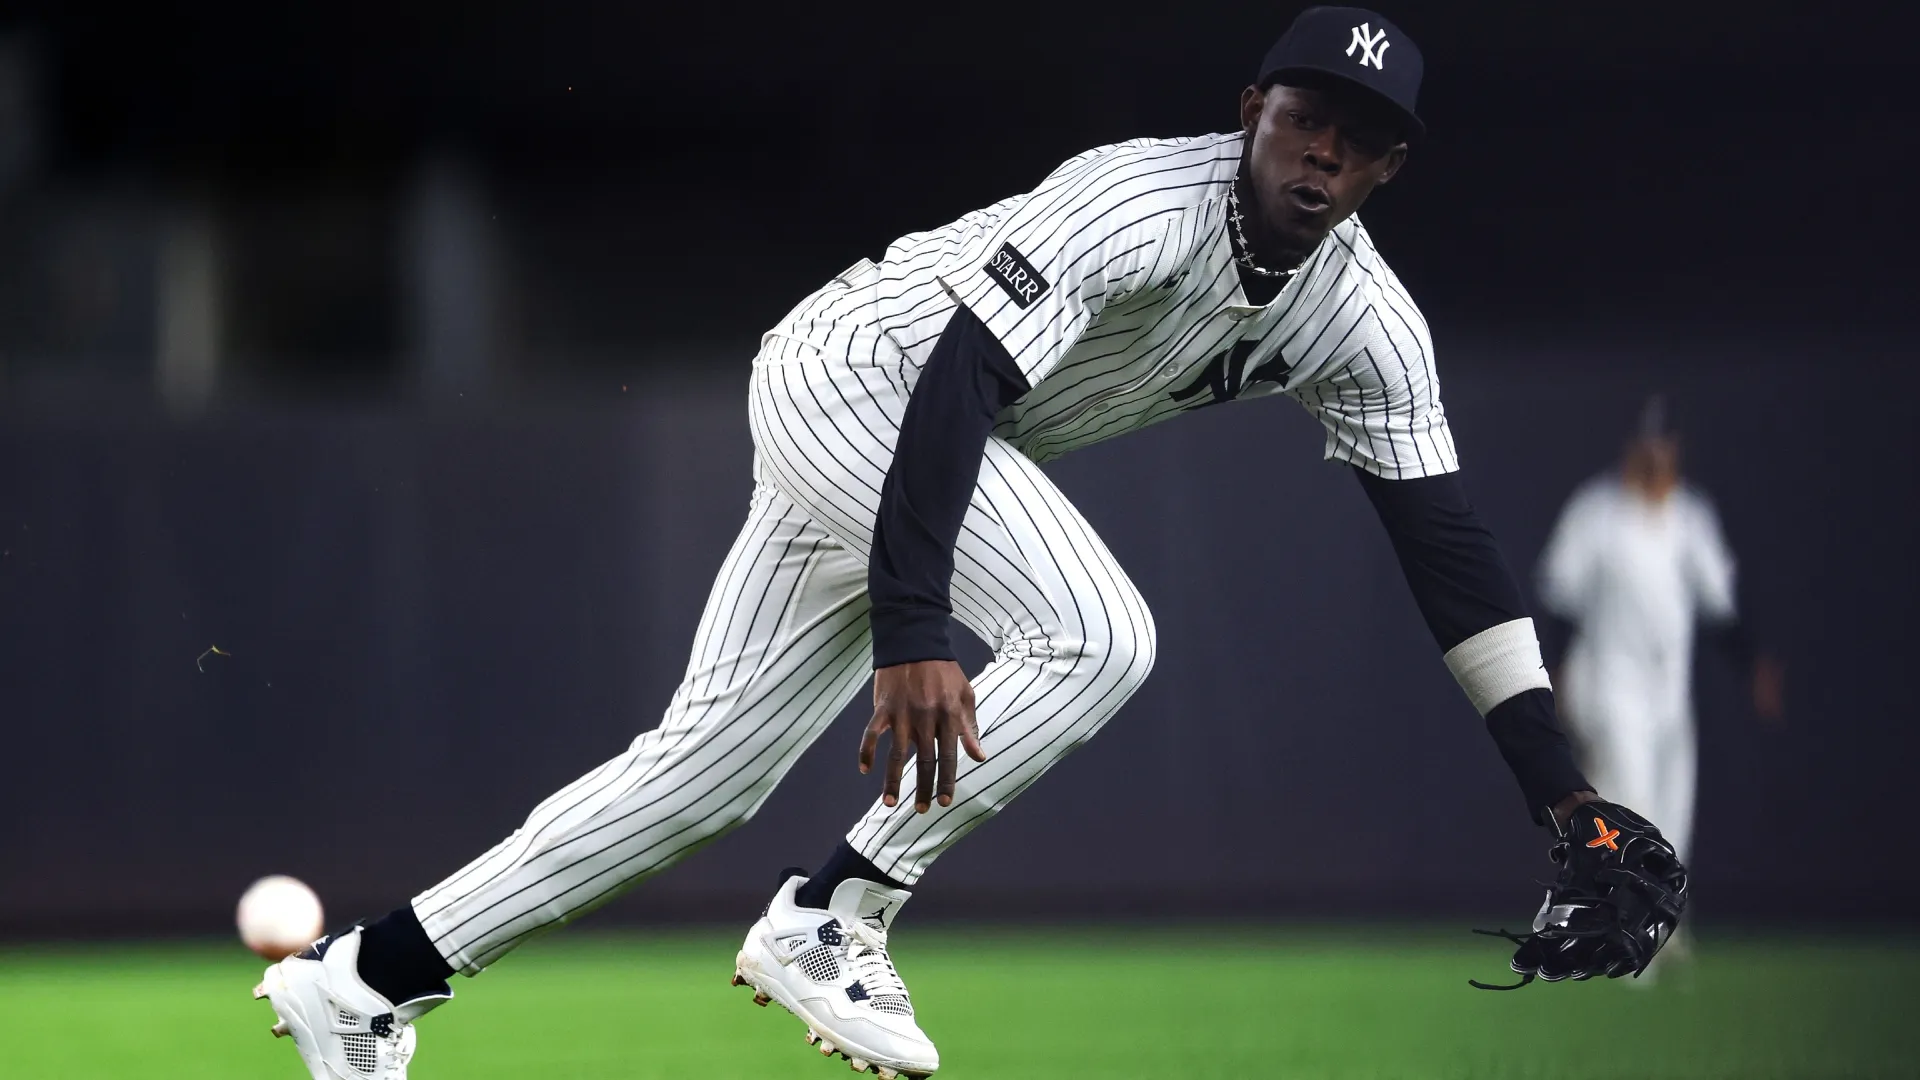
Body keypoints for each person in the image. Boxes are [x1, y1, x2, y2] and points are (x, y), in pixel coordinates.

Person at [252, 9, 1684, 1078]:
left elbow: (1449, 549)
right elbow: (957, 380)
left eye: (1362, 137)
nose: (1327, 151)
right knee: (1103, 634)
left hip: (930, 460)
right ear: (1253, 107)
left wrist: (1563, 802)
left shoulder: (1365, 322)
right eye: (1309, 113)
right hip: (860, 376)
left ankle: (369, 979)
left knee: (695, 782)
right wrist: (917, 628)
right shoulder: (1136, 200)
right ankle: (835, 914)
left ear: (1389, 171)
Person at [1536, 397, 1783, 964]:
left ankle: (1663, 934)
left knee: (1673, 816)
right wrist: (1558, 675)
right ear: (1632, 448)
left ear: (1676, 450)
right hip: (1611, 686)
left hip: (1669, 694)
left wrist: (1753, 668)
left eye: (1665, 444)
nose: (1656, 455)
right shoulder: (1596, 513)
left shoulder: (1690, 518)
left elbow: (1720, 609)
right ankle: (1622, 941)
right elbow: (1564, 605)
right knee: (1632, 808)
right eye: (1648, 444)